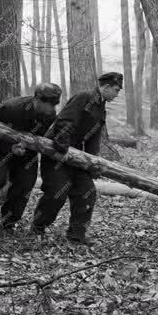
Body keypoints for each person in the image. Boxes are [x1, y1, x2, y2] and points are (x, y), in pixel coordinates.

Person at [32, 72, 123, 246]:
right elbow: (65, 121)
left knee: (86, 192)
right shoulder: (84, 98)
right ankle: (37, 227)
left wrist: (91, 164)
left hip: (77, 157)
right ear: (106, 87)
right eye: (116, 90)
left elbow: (92, 138)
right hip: (57, 153)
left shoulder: (100, 107)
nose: (117, 94)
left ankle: (76, 235)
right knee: (57, 193)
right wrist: (63, 149)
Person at [0, 83, 62, 232]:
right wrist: (10, 148)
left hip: (26, 153)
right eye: (50, 104)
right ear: (38, 100)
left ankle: (8, 223)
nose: (53, 109)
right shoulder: (10, 108)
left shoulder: (50, 115)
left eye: (55, 104)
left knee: (26, 184)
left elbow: (41, 137)